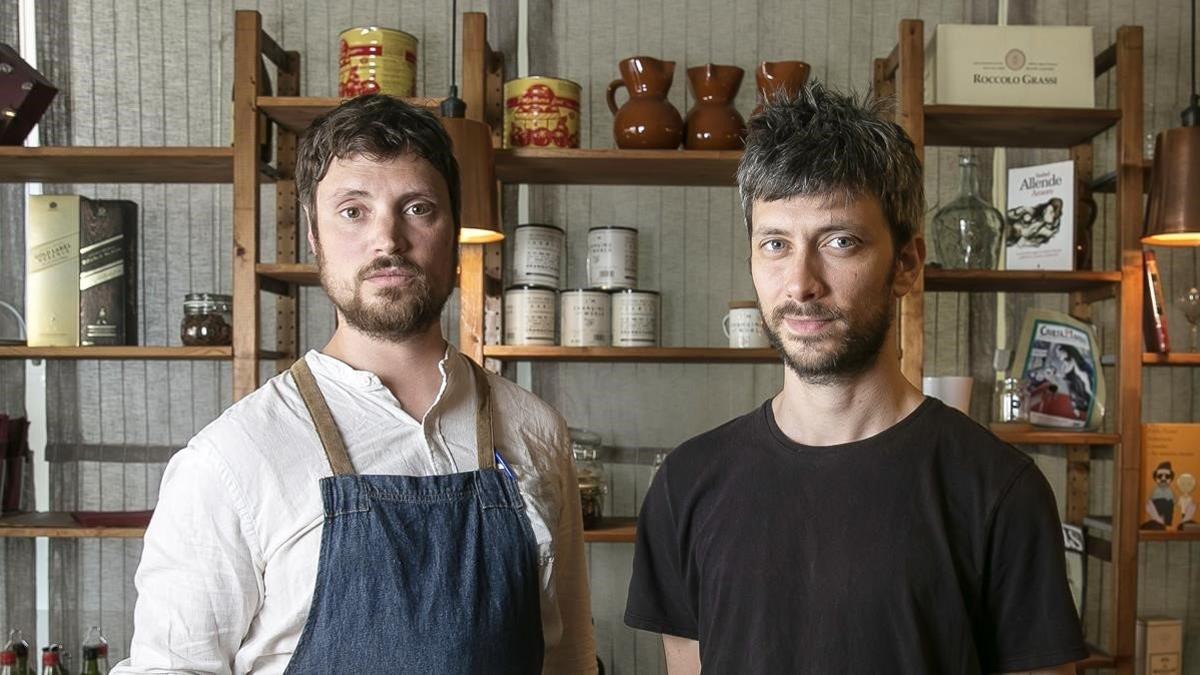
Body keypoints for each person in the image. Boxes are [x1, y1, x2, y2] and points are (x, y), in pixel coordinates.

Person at [113, 96, 596, 674]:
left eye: (417, 207)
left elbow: (568, 657)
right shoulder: (233, 458)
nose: (387, 240)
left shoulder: (535, 428)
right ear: (313, 235)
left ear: (453, 227)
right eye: (353, 211)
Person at [623, 84, 1087, 674]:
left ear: (907, 265)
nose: (801, 283)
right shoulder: (686, 485)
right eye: (775, 244)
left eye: (840, 241)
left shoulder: (998, 491)